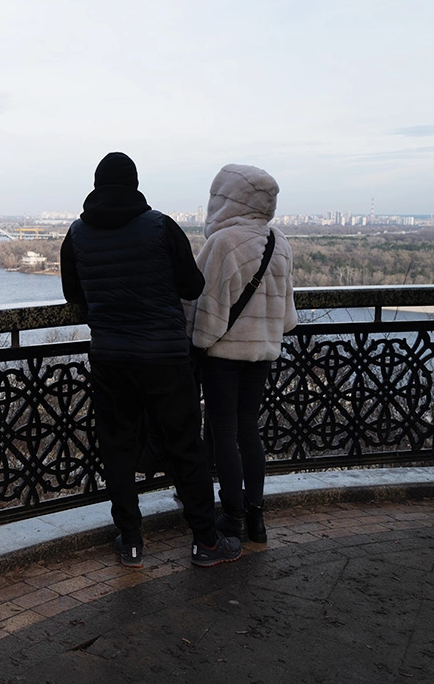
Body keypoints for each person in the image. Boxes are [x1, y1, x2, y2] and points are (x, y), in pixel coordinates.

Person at [61, 152, 241, 568]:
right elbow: (192, 286)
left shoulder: (76, 233)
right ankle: (205, 540)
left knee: (118, 447)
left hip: (110, 358)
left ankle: (131, 540)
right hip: (164, 357)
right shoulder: (161, 226)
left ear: (96, 185)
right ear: (135, 183)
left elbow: (75, 297)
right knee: (185, 446)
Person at [188, 164, 297, 543]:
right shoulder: (279, 242)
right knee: (249, 430)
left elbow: (204, 309)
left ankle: (231, 515)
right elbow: (287, 316)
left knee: (223, 431)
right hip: (263, 353)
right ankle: (257, 518)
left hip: (223, 356)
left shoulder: (223, 243)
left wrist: (198, 345)